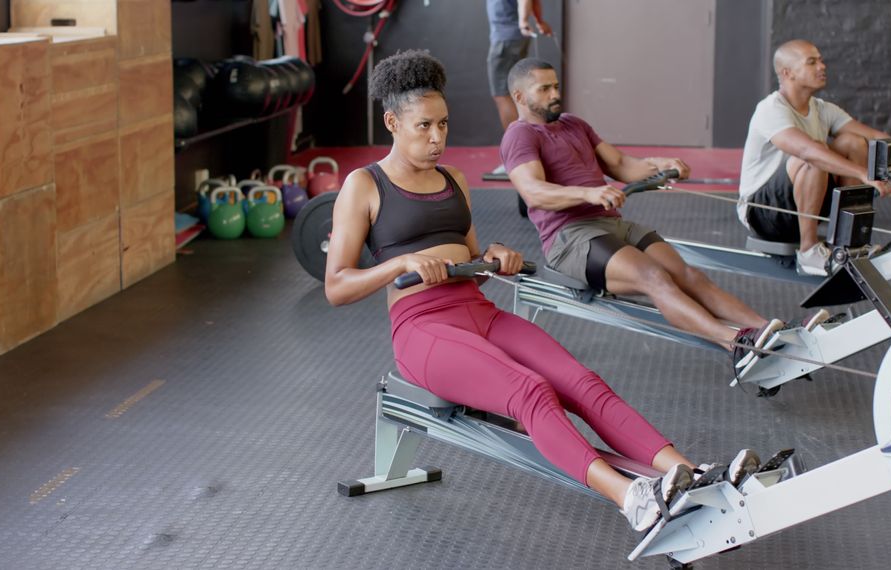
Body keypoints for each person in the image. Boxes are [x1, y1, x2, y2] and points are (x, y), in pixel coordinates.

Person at [325, 49, 759, 532]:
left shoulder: (454, 180)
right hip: (422, 330)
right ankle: (632, 498)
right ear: (392, 122)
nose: (437, 138)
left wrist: (497, 257)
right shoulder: (364, 185)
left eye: (443, 125)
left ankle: (686, 471)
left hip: (478, 311)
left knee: (581, 382)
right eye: (424, 126)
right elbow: (337, 287)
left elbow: (472, 258)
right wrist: (400, 263)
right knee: (529, 391)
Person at [501, 58, 798, 369]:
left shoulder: (574, 124)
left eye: (556, 86)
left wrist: (661, 164)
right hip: (571, 237)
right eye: (544, 89)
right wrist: (589, 193)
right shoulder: (520, 135)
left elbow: (620, 166)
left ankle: (770, 331)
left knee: (689, 276)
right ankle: (737, 345)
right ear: (520, 97)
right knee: (654, 278)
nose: (555, 94)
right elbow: (533, 190)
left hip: (610, 224)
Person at [740, 39, 891, 276]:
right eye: (812, 62)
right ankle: (808, 253)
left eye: (821, 60)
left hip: (806, 205)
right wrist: (862, 174)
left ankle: (849, 243)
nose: (822, 66)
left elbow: (875, 138)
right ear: (788, 73)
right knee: (814, 155)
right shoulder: (770, 109)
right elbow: (807, 152)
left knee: (853, 143)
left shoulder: (822, 109)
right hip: (764, 215)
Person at [487, 0, 551, 133]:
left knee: (503, 94)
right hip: (513, 38)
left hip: (506, 40)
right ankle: (527, 141)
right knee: (514, 91)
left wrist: (523, 21)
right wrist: (539, 21)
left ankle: (519, 142)